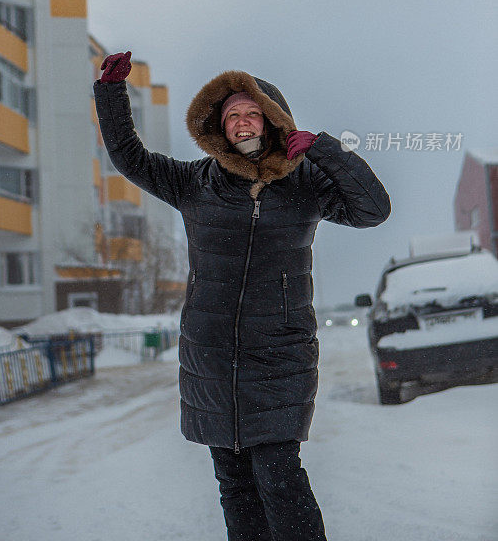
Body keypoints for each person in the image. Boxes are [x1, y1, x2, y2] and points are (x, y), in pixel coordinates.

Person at [93, 51, 391, 541]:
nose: (241, 122)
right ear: (218, 127)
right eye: (232, 115)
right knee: (233, 482)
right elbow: (130, 156)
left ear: (273, 120)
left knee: (279, 475)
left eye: (252, 112)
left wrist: (324, 151)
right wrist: (111, 93)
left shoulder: (306, 183)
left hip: (279, 355)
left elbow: (373, 210)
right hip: (210, 357)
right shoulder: (195, 183)